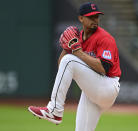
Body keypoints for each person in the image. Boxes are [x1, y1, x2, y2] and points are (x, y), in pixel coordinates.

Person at [28, 2, 121, 131]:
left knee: (70, 61)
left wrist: (78, 53)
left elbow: (103, 69)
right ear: (81, 18)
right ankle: (55, 110)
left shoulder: (105, 38)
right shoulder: (78, 38)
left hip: (108, 86)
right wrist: (66, 48)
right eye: (91, 17)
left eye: (97, 16)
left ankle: (54, 110)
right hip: (91, 90)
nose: (95, 20)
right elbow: (63, 66)